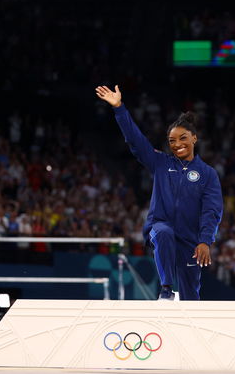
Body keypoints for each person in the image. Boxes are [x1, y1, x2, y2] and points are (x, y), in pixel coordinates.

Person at [95, 85, 223, 300]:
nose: (177, 144)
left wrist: (205, 241)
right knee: (163, 232)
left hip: (191, 239)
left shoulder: (208, 174)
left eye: (183, 138)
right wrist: (119, 109)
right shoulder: (161, 163)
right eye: (172, 141)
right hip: (161, 224)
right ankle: (166, 290)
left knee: (191, 297)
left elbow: (212, 210)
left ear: (194, 138)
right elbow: (136, 141)